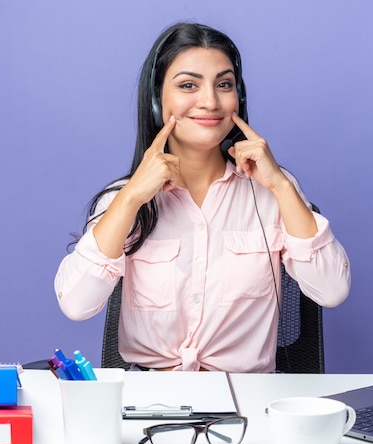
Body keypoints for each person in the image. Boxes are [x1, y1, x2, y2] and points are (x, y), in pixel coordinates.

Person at [54, 22, 350, 373]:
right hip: (151, 405)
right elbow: (76, 304)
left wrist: (282, 187)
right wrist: (131, 197)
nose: (210, 101)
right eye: (188, 85)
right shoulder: (123, 199)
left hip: (248, 403)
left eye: (223, 84)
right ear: (156, 99)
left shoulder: (271, 191)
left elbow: (332, 291)